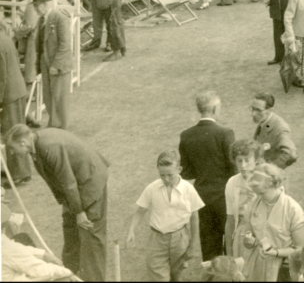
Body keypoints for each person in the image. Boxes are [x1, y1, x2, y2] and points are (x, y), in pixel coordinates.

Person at [5, 125, 109, 281]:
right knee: (70, 230)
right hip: (74, 189)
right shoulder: (35, 145)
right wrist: (71, 207)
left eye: (12, 148)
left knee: (91, 238)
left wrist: (79, 212)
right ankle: (68, 276)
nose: (12, 153)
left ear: (22, 143)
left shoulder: (48, 146)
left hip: (89, 182)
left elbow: (68, 181)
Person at [126, 149, 204, 281]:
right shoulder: (152, 188)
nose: (166, 179)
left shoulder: (188, 189)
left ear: (179, 169)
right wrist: (131, 230)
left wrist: (193, 245)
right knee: (160, 278)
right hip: (157, 241)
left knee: (176, 276)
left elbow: (195, 217)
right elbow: (140, 211)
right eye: (162, 175)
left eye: (170, 175)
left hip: (180, 240)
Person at [178, 92, 236, 262]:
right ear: (215, 109)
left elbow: (186, 172)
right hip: (225, 198)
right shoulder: (225, 133)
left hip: (201, 198)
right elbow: (234, 168)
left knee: (209, 248)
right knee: (231, 245)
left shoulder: (186, 135)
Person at [240, 164, 304, 281]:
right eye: (257, 193)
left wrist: (275, 252)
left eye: (262, 193)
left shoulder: (293, 210)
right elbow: (248, 240)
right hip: (256, 266)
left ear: (274, 185)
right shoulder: (254, 204)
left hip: (282, 269)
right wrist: (249, 242)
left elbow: (300, 249)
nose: (258, 197)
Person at [32, 0, 72, 128]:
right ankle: (54, 124)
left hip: (58, 64)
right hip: (45, 62)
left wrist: (56, 65)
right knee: (48, 97)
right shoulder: (41, 20)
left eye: (36, 6)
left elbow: (65, 45)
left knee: (59, 98)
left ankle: (61, 127)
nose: (35, 9)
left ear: (44, 4)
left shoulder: (60, 18)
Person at [0, 29, 32, 184]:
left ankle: (19, 173)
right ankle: (18, 170)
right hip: (16, 90)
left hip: (9, 94)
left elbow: (1, 77)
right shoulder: (4, 38)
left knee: (12, 134)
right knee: (17, 132)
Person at [224, 139, 264, 257]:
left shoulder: (265, 181)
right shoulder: (232, 183)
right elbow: (230, 221)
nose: (243, 166)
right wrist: (229, 253)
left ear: (256, 160)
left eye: (247, 160)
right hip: (241, 234)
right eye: (239, 160)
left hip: (263, 236)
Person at [250, 92, 298, 168]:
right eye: (252, 109)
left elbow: (291, 154)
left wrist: (271, 168)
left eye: (258, 110)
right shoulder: (266, 122)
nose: (253, 114)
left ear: (270, 110)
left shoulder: (281, 128)